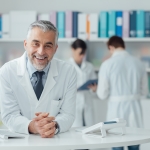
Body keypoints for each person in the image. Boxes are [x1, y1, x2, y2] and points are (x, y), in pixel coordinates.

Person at [0, 20, 77, 138]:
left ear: (55, 49)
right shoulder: (7, 71)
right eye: (35, 44)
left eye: (48, 46)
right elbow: (9, 115)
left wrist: (54, 126)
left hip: (54, 142)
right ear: (25, 44)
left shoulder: (68, 72)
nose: (41, 52)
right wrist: (32, 126)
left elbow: (68, 114)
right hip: (19, 142)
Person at [96, 36, 148, 150]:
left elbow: (102, 94)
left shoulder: (107, 64)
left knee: (116, 144)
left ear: (111, 47)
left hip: (116, 111)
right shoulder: (138, 63)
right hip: (135, 111)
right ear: (123, 46)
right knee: (134, 144)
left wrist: (97, 89)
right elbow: (144, 92)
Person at [68, 39, 97, 127]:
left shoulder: (89, 66)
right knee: (75, 133)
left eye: (84, 54)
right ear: (73, 50)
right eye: (80, 53)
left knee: (89, 130)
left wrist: (94, 89)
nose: (82, 56)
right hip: (74, 105)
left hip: (87, 104)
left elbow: (94, 85)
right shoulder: (67, 66)